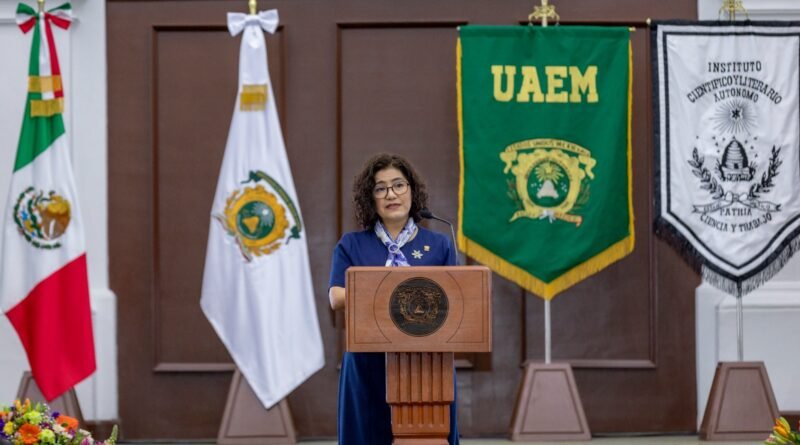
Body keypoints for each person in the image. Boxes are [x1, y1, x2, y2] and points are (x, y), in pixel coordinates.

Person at [329, 153, 459, 445]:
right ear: (370, 198)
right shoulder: (352, 244)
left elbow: (457, 299)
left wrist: (373, 293)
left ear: (413, 191)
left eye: (399, 185)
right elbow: (336, 297)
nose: (391, 194)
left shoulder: (439, 244)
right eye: (380, 188)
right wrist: (396, 295)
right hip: (367, 362)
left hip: (428, 364)